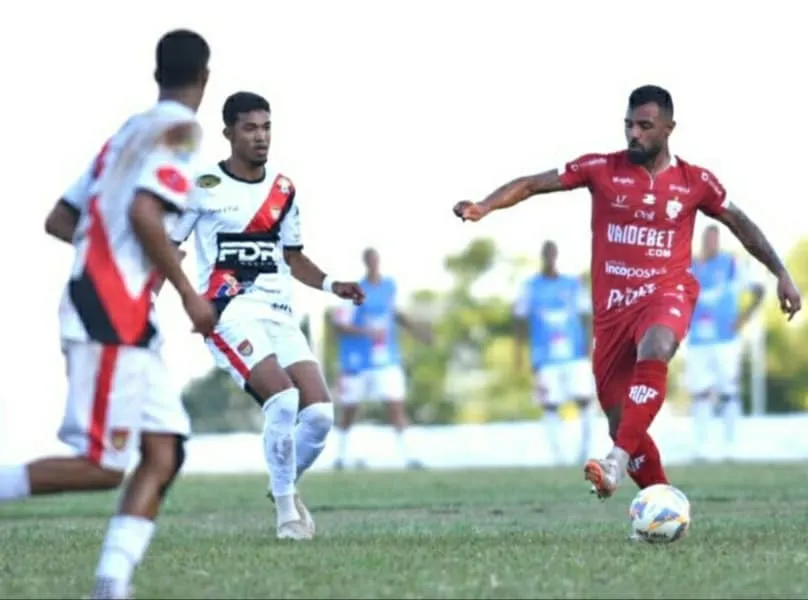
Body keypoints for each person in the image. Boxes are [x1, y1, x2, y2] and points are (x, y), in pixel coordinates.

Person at [453, 84, 801, 503]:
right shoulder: (601, 168)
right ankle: (663, 501)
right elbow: (531, 184)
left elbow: (739, 223)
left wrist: (780, 271)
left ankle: (615, 462)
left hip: (665, 294)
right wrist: (485, 207)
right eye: (629, 125)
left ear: (669, 128)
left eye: (644, 126)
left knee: (657, 344)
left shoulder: (696, 182)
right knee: (622, 423)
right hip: (612, 315)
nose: (634, 134)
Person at [2, 30, 215, 599]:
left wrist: (122, 259)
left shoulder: (127, 132)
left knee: (165, 449)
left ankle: (111, 584)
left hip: (116, 311)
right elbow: (147, 211)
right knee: (102, 464)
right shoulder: (182, 130)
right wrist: (187, 290)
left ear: (156, 73)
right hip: (110, 312)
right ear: (206, 76)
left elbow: (61, 219)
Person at [170, 91, 364, 541]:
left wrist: (334, 284)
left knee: (319, 417)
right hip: (229, 313)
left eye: (266, 127)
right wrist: (158, 302)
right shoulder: (203, 187)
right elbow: (170, 249)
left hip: (279, 313)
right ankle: (286, 515)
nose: (261, 137)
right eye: (250, 128)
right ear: (229, 133)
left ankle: (283, 482)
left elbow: (293, 257)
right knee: (283, 400)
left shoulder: (283, 189)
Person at [330, 248, 432, 470]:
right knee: (349, 410)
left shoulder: (389, 288)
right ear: (365, 262)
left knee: (396, 406)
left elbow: (396, 314)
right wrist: (366, 332)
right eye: (370, 260)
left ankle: (410, 457)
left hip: (386, 359)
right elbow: (339, 324)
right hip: (357, 361)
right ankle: (339, 457)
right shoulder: (355, 291)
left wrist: (419, 332)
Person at [686, 225, 764, 461]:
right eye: (707, 239)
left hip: (725, 339)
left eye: (714, 239)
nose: (711, 243)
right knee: (700, 393)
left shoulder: (731, 264)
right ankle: (702, 447)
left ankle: (731, 446)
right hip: (697, 340)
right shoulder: (690, 267)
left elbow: (759, 290)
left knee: (728, 391)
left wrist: (744, 317)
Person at [513, 240, 595, 466]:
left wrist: (590, 346)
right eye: (546, 254)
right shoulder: (530, 287)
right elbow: (519, 319)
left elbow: (587, 315)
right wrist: (519, 353)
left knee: (585, 400)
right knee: (550, 404)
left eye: (553, 254)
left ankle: (586, 451)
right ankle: (558, 457)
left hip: (574, 354)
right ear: (542, 256)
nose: (550, 258)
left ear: (558, 256)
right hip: (544, 357)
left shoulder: (572, 284)